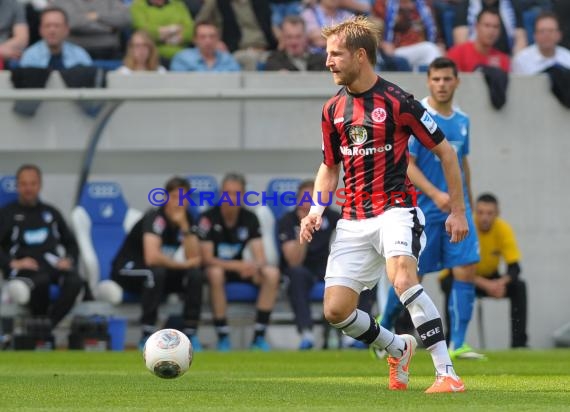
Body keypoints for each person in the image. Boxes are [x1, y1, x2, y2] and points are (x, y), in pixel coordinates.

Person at [300, 16, 469, 393]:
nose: (328, 62)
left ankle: (447, 373)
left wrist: (457, 211)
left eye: (335, 54)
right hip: (353, 219)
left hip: (396, 210)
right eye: (328, 54)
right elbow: (330, 166)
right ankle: (397, 347)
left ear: (360, 56)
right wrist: (315, 210)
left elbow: (446, 153)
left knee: (403, 280)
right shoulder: (332, 111)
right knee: (336, 311)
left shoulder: (399, 102)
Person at [380, 57, 483, 360]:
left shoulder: (463, 121)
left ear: (456, 81)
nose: (441, 84)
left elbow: (462, 163)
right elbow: (407, 165)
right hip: (423, 211)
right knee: (410, 278)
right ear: (428, 81)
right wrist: (437, 195)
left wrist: (467, 201)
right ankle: (382, 328)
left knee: (466, 270)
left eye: (447, 79)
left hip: (455, 211)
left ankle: (459, 343)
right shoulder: (418, 115)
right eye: (436, 79)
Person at [111, 176, 204, 350]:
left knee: (196, 275)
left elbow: (194, 258)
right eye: (175, 197)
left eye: (184, 198)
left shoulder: (188, 219)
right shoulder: (154, 218)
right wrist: (184, 265)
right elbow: (151, 257)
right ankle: (147, 335)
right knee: (155, 272)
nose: (179, 203)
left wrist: (184, 227)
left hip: (159, 271)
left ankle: (191, 333)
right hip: (128, 270)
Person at [197, 173, 280, 351]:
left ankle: (258, 336)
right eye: (227, 193)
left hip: (241, 269)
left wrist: (254, 266)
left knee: (271, 274)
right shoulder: (208, 218)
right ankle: (223, 336)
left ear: (243, 195)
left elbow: (260, 257)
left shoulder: (250, 218)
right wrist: (238, 266)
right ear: (221, 194)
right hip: (217, 270)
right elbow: (206, 258)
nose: (231, 198)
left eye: (236, 193)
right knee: (215, 272)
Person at [0, 164, 83, 332]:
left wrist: (68, 259)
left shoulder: (51, 213)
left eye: (33, 183)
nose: (28, 188)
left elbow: (71, 243)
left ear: (39, 185)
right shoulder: (6, 214)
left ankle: (44, 328)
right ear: (18, 186)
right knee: (41, 281)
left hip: (50, 266)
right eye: (24, 184)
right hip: (24, 271)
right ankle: (41, 330)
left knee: (75, 281)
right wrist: (13, 263)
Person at [440, 193, 528, 348]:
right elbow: (456, 268)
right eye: (480, 213)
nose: (484, 218)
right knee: (449, 284)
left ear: (497, 214)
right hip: (460, 275)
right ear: (475, 212)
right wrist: (487, 285)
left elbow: (515, 267)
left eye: (489, 213)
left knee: (519, 286)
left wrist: (499, 283)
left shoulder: (503, 229)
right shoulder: (466, 227)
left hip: (489, 278)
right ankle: (450, 340)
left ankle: (519, 343)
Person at [278, 180, 340, 349]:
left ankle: (352, 335)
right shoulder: (288, 220)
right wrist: (304, 229)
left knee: (358, 273)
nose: (308, 202)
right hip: (304, 270)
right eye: (304, 198)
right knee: (296, 273)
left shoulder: (333, 217)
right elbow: (293, 260)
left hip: (329, 268)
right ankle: (306, 332)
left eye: (313, 198)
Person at [50, 0, 131, 60]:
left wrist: (97, 15)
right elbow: (70, 23)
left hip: (109, 51)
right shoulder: (62, 1)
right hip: (74, 51)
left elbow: (126, 19)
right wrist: (107, 28)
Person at [19, 7, 93, 69]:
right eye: (47, 26)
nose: (52, 31)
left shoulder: (80, 55)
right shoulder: (30, 56)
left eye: (57, 25)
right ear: (40, 30)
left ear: (66, 29)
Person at [453, 0, 527, 55]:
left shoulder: (513, 5)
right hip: (473, 59)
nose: (491, 31)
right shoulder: (465, 6)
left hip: (505, 59)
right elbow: (461, 43)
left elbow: (520, 40)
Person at [130, 0, 194, 63]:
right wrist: (173, 29)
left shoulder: (178, 5)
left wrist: (163, 36)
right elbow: (144, 32)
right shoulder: (138, 6)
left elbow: (190, 31)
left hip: (182, 55)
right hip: (154, 55)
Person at [170, 21, 241, 72]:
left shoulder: (227, 59)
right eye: (202, 37)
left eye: (212, 36)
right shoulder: (182, 59)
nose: (208, 41)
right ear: (194, 40)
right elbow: (177, 85)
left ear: (218, 38)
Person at [0, 0, 29, 66]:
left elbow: (22, 38)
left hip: (7, 49)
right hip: (4, 51)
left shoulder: (14, 4)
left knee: (22, 60)